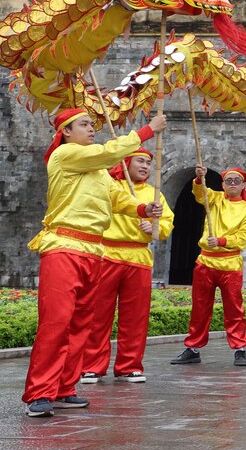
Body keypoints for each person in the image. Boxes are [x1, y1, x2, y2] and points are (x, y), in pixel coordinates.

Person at [25, 109, 163, 418]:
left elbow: (116, 197)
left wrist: (142, 208)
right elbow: (107, 153)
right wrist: (145, 132)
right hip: (64, 246)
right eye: (85, 125)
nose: (91, 129)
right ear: (66, 132)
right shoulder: (66, 154)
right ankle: (39, 392)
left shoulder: (97, 168)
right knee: (57, 322)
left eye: (91, 124)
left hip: (93, 251)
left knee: (80, 325)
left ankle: (64, 388)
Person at [80, 148, 173, 386]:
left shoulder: (156, 194)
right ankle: (92, 366)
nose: (145, 167)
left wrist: (154, 229)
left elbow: (166, 225)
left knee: (136, 317)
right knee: (98, 315)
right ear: (126, 162)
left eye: (148, 163)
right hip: (107, 254)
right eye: (140, 161)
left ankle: (129, 366)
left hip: (138, 257)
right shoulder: (110, 185)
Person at [171, 164, 246, 368]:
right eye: (229, 180)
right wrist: (200, 178)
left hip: (230, 263)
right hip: (206, 261)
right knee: (200, 307)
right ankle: (193, 348)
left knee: (234, 308)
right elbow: (199, 194)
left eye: (237, 181)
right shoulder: (215, 198)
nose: (233, 184)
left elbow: (243, 238)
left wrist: (221, 241)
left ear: (244, 184)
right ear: (223, 184)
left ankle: (239, 348)